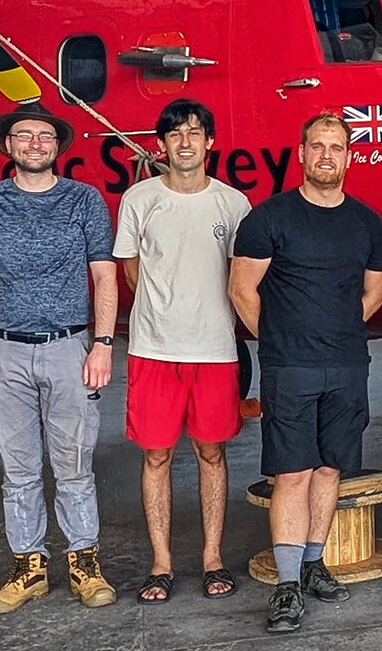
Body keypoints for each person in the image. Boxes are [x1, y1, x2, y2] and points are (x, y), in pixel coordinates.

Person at [0, 105, 119, 614]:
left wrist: (103, 344)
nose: (34, 144)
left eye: (44, 136)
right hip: (2, 350)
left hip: (68, 347)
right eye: (23, 136)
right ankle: (30, 568)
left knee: (74, 466)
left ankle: (84, 565)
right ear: (8, 146)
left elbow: (104, 275)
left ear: (58, 146)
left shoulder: (83, 200)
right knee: (18, 469)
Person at [230, 112, 382, 634]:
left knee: (329, 469)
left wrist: (334, 333)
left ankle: (315, 563)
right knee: (293, 473)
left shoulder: (369, 224)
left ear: (349, 155)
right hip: (290, 369)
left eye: (336, 147)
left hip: (346, 366)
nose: (326, 155)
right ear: (300, 154)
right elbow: (241, 291)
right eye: (317, 146)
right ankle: (286, 585)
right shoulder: (268, 218)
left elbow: (373, 295)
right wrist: (280, 344)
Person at [112, 99, 253, 604]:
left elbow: (243, 278)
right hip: (153, 349)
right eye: (175, 135)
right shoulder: (139, 199)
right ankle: (161, 563)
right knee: (156, 456)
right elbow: (130, 271)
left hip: (215, 349)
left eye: (195, 133)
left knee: (211, 453)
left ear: (210, 142)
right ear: (161, 145)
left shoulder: (233, 205)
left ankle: (212, 557)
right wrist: (160, 312)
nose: (186, 142)